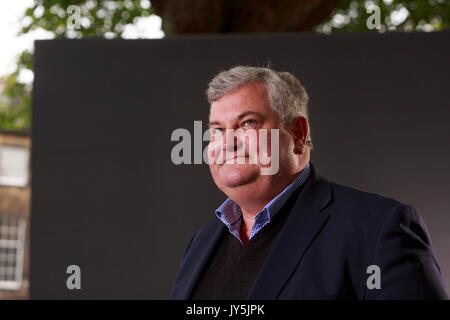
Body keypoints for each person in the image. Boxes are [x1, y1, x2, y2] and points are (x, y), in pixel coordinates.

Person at [170, 66, 448, 300]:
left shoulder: (377, 229)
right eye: (217, 130)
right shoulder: (201, 243)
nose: (228, 143)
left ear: (298, 134)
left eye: (248, 123)